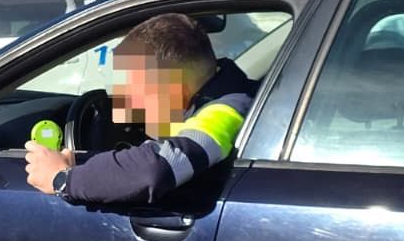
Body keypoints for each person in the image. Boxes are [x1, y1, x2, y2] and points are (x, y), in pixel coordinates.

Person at [24, 13, 257, 204]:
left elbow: (157, 168)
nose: (125, 107)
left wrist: (62, 179)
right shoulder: (223, 94)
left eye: (135, 91)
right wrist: (84, 161)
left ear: (173, 88)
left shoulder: (227, 111)